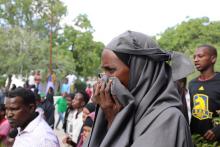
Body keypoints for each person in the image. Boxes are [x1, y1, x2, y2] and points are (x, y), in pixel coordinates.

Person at [84, 31, 193, 147]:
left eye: (111, 71)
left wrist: (114, 122)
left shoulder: (169, 120)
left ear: (140, 72)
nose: (104, 79)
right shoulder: (117, 109)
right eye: (103, 72)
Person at [189, 44, 220, 142]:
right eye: (194, 57)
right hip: (196, 140)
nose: (196, 59)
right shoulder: (192, 84)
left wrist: (218, 130)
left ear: (213, 59)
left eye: (200, 56)